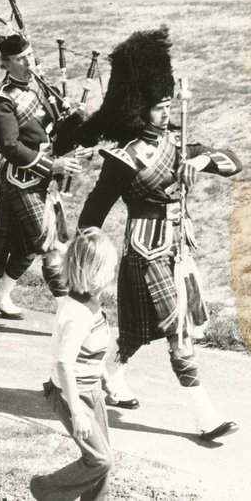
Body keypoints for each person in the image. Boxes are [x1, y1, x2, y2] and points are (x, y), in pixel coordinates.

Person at [77, 28, 241, 442]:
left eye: (168, 105)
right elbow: (95, 210)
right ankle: (204, 415)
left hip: (178, 249)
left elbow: (234, 163)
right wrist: (83, 254)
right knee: (177, 330)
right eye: (157, 107)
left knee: (133, 335)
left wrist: (201, 160)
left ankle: (106, 378)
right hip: (144, 250)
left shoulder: (181, 143)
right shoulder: (122, 157)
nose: (165, 113)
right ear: (138, 108)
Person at [0, 33, 85, 319]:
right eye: (20, 59)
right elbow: (10, 147)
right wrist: (52, 166)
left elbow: (52, 129)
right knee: (50, 244)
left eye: (30, 55)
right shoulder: (1, 101)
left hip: (45, 180)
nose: (28, 62)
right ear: (6, 63)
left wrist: (74, 120)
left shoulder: (39, 86)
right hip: (22, 180)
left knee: (25, 244)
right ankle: (69, 312)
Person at [30, 228, 118, 500]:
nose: (114, 273)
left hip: (92, 391)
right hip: (71, 395)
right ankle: (47, 490)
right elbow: (65, 364)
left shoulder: (93, 305)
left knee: (102, 460)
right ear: (93, 272)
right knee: (100, 460)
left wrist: (105, 378)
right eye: (110, 267)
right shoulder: (76, 313)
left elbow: (92, 352)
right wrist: (77, 412)